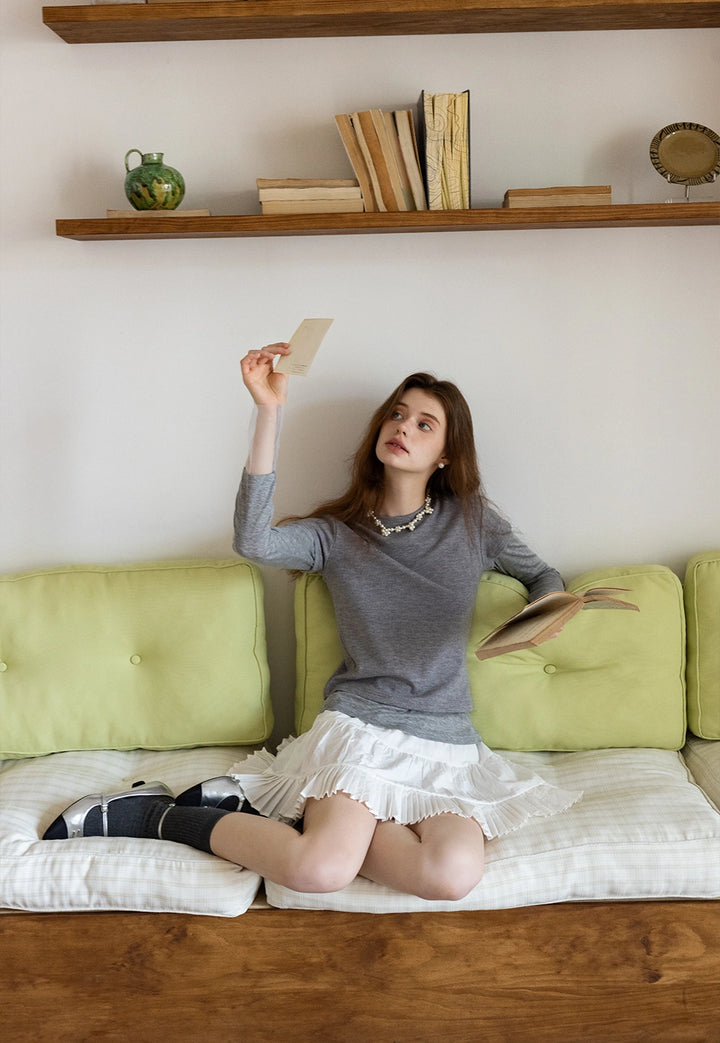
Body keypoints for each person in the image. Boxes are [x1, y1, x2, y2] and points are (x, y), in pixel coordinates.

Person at [44, 343, 580, 902]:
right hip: (361, 729)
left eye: (425, 424)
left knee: (450, 876)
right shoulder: (337, 535)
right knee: (321, 871)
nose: (404, 428)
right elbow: (254, 541)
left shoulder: (472, 523)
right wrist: (268, 413)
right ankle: (155, 814)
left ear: (446, 454)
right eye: (397, 414)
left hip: (447, 738)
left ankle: (280, 813)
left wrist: (542, 616)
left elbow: (544, 574)